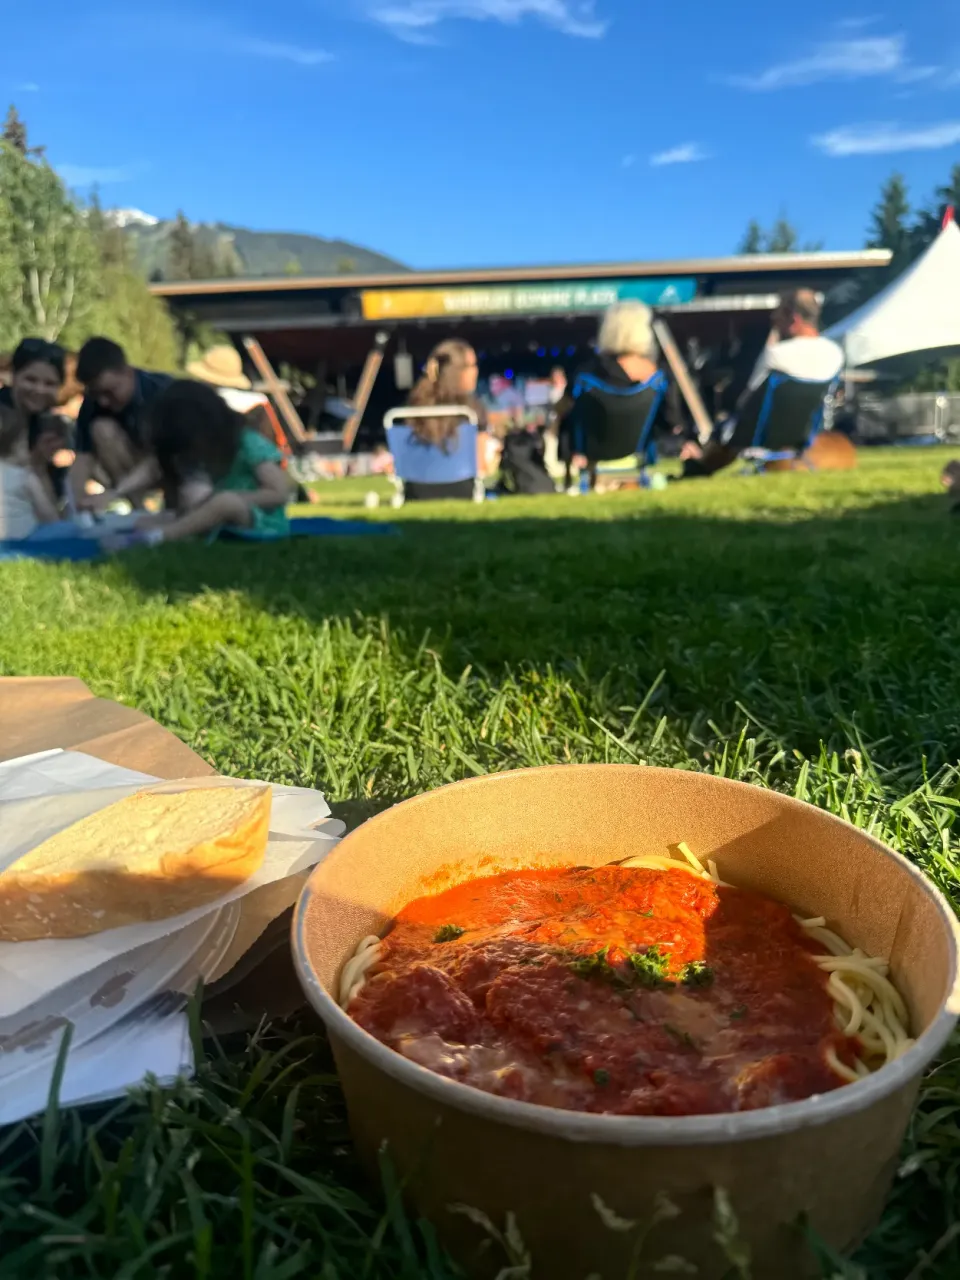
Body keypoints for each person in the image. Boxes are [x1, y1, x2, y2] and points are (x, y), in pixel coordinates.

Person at [104, 380, 293, 547]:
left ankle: (161, 537)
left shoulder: (249, 443)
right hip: (217, 514)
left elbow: (278, 493)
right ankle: (158, 531)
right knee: (153, 519)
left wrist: (218, 499)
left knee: (225, 503)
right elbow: (154, 468)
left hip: (260, 520)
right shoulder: (203, 453)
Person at [681, 290, 844, 478]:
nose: (774, 322)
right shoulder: (834, 354)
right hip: (804, 434)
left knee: (729, 428)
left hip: (759, 434)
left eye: (778, 317)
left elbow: (747, 399)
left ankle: (700, 465)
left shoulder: (776, 355)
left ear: (794, 320)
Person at [555, 301, 684, 488]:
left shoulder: (588, 374)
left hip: (591, 447)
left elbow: (561, 408)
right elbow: (672, 420)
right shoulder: (658, 377)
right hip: (636, 446)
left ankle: (573, 477)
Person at [71, 338, 174, 509]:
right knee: (101, 429)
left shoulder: (162, 391)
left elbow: (161, 460)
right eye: (96, 394)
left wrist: (113, 494)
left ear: (127, 373)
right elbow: (83, 457)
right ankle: (139, 509)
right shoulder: (93, 403)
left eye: (109, 392)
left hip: (176, 462)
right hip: (135, 465)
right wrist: (73, 506)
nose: (103, 402)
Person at [402, 339, 487, 501]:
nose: (476, 371)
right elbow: (480, 464)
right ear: (458, 371)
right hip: (462, 488)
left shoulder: (415, 405)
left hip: (417, 489)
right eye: (472, 365)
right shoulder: (472, 409)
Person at [0, 338, 73, 511]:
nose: (39, 389)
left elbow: (50, 500)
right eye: (31, 380)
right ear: (13, 376)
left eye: (49, 384)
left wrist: (39, 464)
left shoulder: (45, 424)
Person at [0, 402, 60, 540]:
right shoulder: (25, 476)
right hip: (24, 540)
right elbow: (50, 517)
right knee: (69, 528)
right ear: (16, 447)